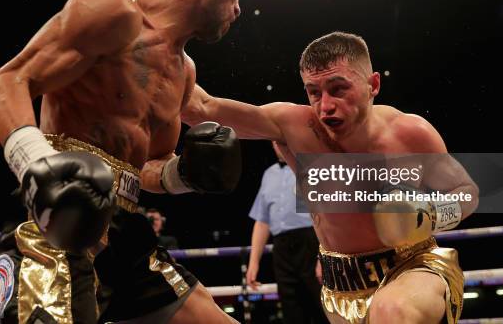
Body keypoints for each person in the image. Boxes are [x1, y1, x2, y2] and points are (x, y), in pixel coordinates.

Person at [0, 0, 252, 324]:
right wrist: (39, 168)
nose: (239, 6)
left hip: (125, 229)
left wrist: (184, 174)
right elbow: (6, 84)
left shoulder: (185, 72)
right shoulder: (113, 12)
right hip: (60, 216)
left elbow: (145, 168)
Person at [182, 31, 479, 324]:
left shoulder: (409, 133)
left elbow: (466, 191)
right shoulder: (294, 127)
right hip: (341, 286)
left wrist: (430, 215)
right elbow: (200, 108)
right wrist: (159, 44)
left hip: (413, 267)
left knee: (392, 311)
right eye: (314, 92)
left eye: (338, 89)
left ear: (373, 84)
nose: (325, 106)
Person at [247, 141, 327, 324]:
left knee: (322, 308)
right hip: (281, 248)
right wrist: (253, 262)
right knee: (292, 311)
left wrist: (324, 256)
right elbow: (262, 221)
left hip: (312, 243)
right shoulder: (269, 174)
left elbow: (327, 215)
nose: (279, 146)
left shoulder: (311, 168)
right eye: (275, 142)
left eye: (283, 141)